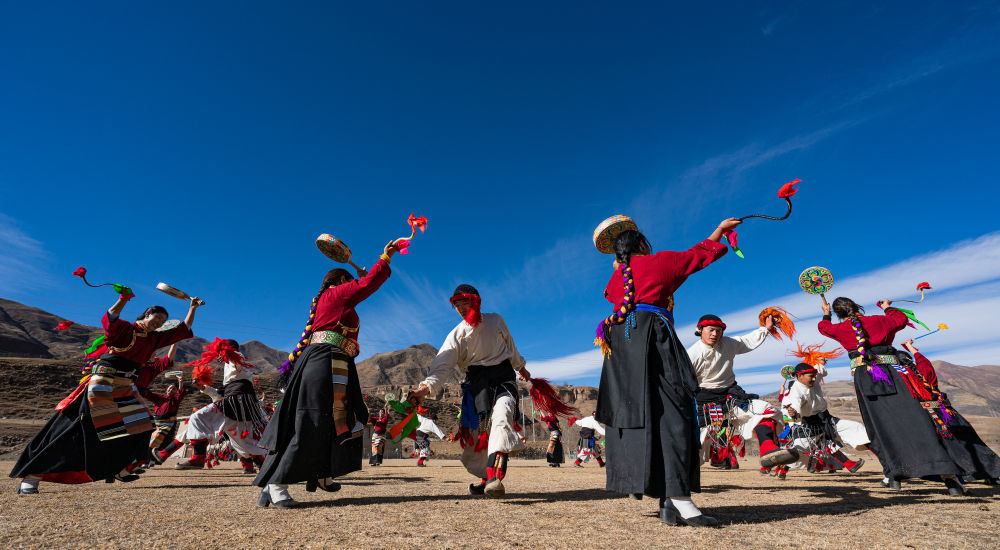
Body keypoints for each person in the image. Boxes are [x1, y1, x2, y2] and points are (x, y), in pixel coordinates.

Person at [594, 216, 741, 527]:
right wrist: (719, 232)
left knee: (639, 417)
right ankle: (678, 498)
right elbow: (698, 256)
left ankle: (665, 500)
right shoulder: (657, 263)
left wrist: (620, 267)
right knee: (675, 415)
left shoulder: (615, 281)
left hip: (621, 347)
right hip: (653, 339)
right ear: (643, 245)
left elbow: (614, 294)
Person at [254, 241, 397, 508]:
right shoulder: (336, 294)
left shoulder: (332, 300)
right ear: (341, 280)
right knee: (311, 419)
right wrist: (385, 257)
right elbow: (367, 285)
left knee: (335, 418)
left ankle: (321, 474)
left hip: (334, 362)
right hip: (325, 361)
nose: (352, 285)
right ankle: (278, 484)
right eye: (349, 281)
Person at [11, 292, 201, 494]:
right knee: (77, 428)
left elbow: (182, 330)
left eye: (163, 320)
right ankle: (32, 476)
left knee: (143, 425)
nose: (159, 322)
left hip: (126, 386)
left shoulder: (154, 339)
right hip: (103, 382)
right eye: (157, 317)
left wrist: (192, 308)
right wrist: (123, 299)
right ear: (146, 315)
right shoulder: (126, 330)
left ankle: (121, 468)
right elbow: (110, 318)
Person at [818, 297, 969, 495]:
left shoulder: (839, 329)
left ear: (840, 314)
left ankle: (894, 475)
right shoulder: (880, 321)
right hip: (894, 374)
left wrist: (826, 313)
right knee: (918, 421)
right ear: (857, 307)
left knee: (881, 428)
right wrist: (888, 307)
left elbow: (823, 327)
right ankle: (949, 479)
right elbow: (901, 319)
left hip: (865, 379)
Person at [408, 284, 530, 499]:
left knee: (502, 419)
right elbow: (442, 365)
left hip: (504, 380)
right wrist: (425, 389)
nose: (462, 308)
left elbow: (511, 347)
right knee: (479, 434)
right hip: (476, 385)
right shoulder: (456, 334)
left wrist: (521, 367)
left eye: (466, 303)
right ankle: (486, 479)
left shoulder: (496, 320)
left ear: (477, 302)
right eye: (457, 305)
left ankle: (495, 479)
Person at [687, 314, 793, 471]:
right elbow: (682, 383)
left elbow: (748, 340)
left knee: (763, 410)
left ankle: (769, 450)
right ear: (700, 330)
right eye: (711, 330)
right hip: (704, 402)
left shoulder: (729, 343)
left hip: (731, 396)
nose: (715, 334)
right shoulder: (692, 354)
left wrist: (766, 329)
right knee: (693, 448)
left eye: (718, 330)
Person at [899, 339, 1000, 487]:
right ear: (910, 361)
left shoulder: (901, 378)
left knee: (944, 448)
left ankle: (954, 480)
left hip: (925, 418)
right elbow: (922, 359)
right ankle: (993, 474)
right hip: (947, 414)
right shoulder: (924, 369)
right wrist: (909, 346)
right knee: (973, 444)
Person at [172, 339, 274, 474]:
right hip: (237, 402)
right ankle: (266, 467)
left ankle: (198, 458)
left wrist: (227, 353)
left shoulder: (238, 358)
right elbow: (222, 392)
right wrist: (203, 387)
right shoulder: (232, 369)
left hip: (236, 401)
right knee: (244, 443)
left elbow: (235, 358)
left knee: (197, 417)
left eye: (221, 351)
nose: (219, 355)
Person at [782, 361, 869, 474]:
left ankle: (850, 464)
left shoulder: (813, 381)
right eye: (811, 377)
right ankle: (782, 468)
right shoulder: (792, 394)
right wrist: (793, 417)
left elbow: (819, 371)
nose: (814, 379)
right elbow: (792, 410)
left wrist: (820, 361)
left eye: (814, 376)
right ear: (799, 377)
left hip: (823, 421)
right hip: (803, 426)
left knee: (828, 444)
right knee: (799, 449)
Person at [146, 373, 187, 452]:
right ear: (166, 389)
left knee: (161, 439)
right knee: (151, 439)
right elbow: (147, 394)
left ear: (176, 392)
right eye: (170, 388)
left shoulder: (176, 399)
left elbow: (180, 391)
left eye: (174, 389)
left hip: (168, 423)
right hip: (157, 422)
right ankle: (148, 457)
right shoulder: (159, 397)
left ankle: (155, 456)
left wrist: (180, 381)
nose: (171, 390)